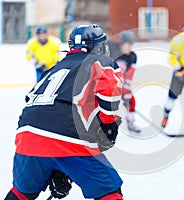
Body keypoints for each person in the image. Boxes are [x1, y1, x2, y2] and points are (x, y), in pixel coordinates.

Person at [5, 24, 124, 200]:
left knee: (22, 193)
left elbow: (36, 104)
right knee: (109, 192)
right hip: (68, 137)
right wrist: (109, 124)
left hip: (27, 136)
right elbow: (109, 93)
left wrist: (55, 166)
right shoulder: (99, 62)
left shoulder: (52, 69)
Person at [111, 30, 141, 133]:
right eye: (125, 44)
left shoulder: (133, 57)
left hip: (121, 84)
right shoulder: (113, 52)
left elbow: (130, 73)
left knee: (131, 101)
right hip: (109, 84)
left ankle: (131, 122)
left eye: (130, 45)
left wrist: (126, 85)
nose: (128, 47)